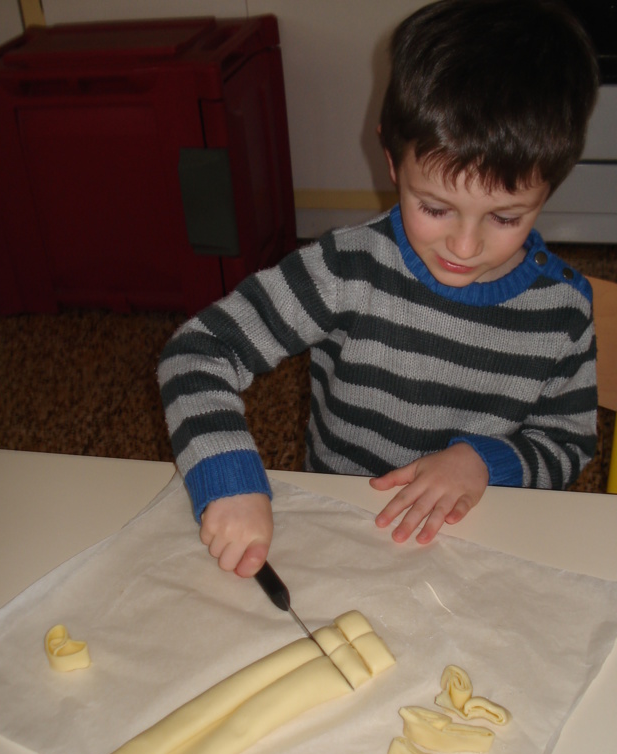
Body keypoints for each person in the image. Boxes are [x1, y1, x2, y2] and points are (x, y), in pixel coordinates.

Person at [158, 0, 599, 578]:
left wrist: (484, 463)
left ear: (549, 191)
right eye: (435, 207)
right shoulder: (347, 267)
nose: (463, 247)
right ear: (391, 160)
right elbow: (197, 353)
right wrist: (230, 477)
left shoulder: (562, 312)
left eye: (505, 218)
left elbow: (566, 445)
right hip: (343, 528)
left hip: (474, 550)